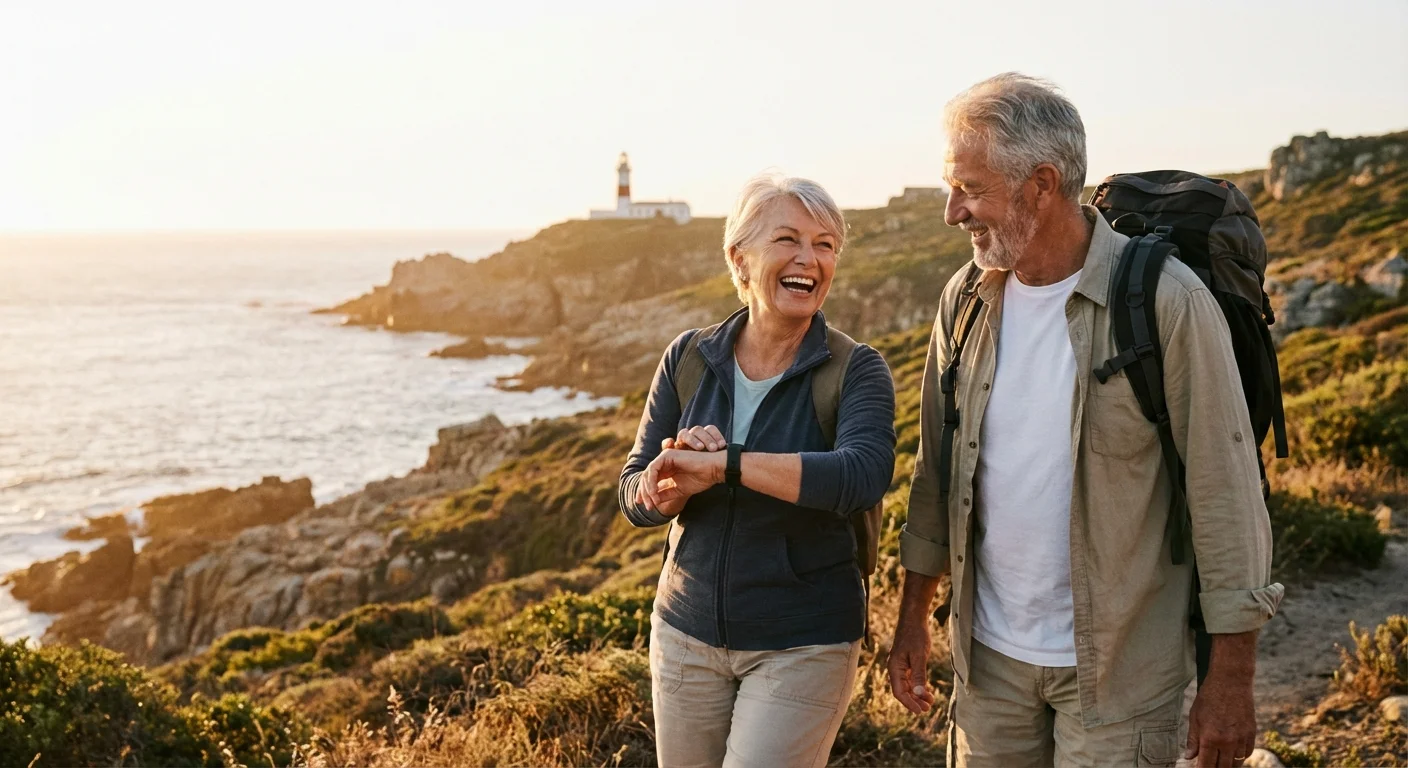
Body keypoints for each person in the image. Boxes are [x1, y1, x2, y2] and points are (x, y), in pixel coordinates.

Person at [887, 73, 1283, 768]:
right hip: (988, 667)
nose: (952, 212)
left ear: (1041, 185)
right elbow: (937, 470)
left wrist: (1232, 680)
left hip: (1120, 672)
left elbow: (1226, 494)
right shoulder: (967, 298)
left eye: (970, 189)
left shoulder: (1167, 301)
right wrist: (913, 616)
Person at [618, 173, 897, 768]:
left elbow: (861, 476)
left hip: (803, 643)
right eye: (788, 239)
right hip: (684, 636)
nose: (809, 259)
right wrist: (668, 484)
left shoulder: (857, 369)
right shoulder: (688, 358)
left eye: (825, 244)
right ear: (739, 258)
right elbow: (633, 492)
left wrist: (727, 466)